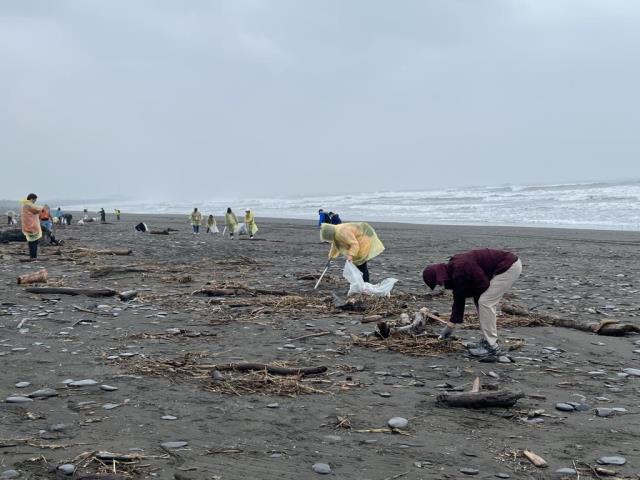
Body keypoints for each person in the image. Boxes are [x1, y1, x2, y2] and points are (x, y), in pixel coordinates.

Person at [422, 249, 522, 362]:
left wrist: (468, 293)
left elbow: (483, 284)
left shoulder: (461, 267)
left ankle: (492, 347)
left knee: (485, 302)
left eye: (439, 282)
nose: (442, 285)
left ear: (439, 274)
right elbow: (459, 297)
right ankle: (487, 341)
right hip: (505, 266)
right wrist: (450, 326)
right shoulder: (454, 270)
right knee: (482, 302)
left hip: (509, 267)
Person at [320, 222, 384, 283]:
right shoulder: (336, 231)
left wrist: (350, 255)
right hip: (359, 243)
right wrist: (330, 257)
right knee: (356, 265)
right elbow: (335, 245)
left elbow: (354, 244)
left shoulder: (341, 231)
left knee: (361, 265)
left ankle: (365, 284)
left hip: (363, 242)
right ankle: (360, 283)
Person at [20, 193, 43, 260]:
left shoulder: (25, 205)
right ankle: (33, 256)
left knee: (31, 242)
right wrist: (42, 207)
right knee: (34, 242)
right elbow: (36, 210)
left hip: (28, 225)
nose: (35, 201)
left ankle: (32, 256)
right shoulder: (28, 205)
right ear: (31, 199)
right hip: (31, 226)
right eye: (35, 199)